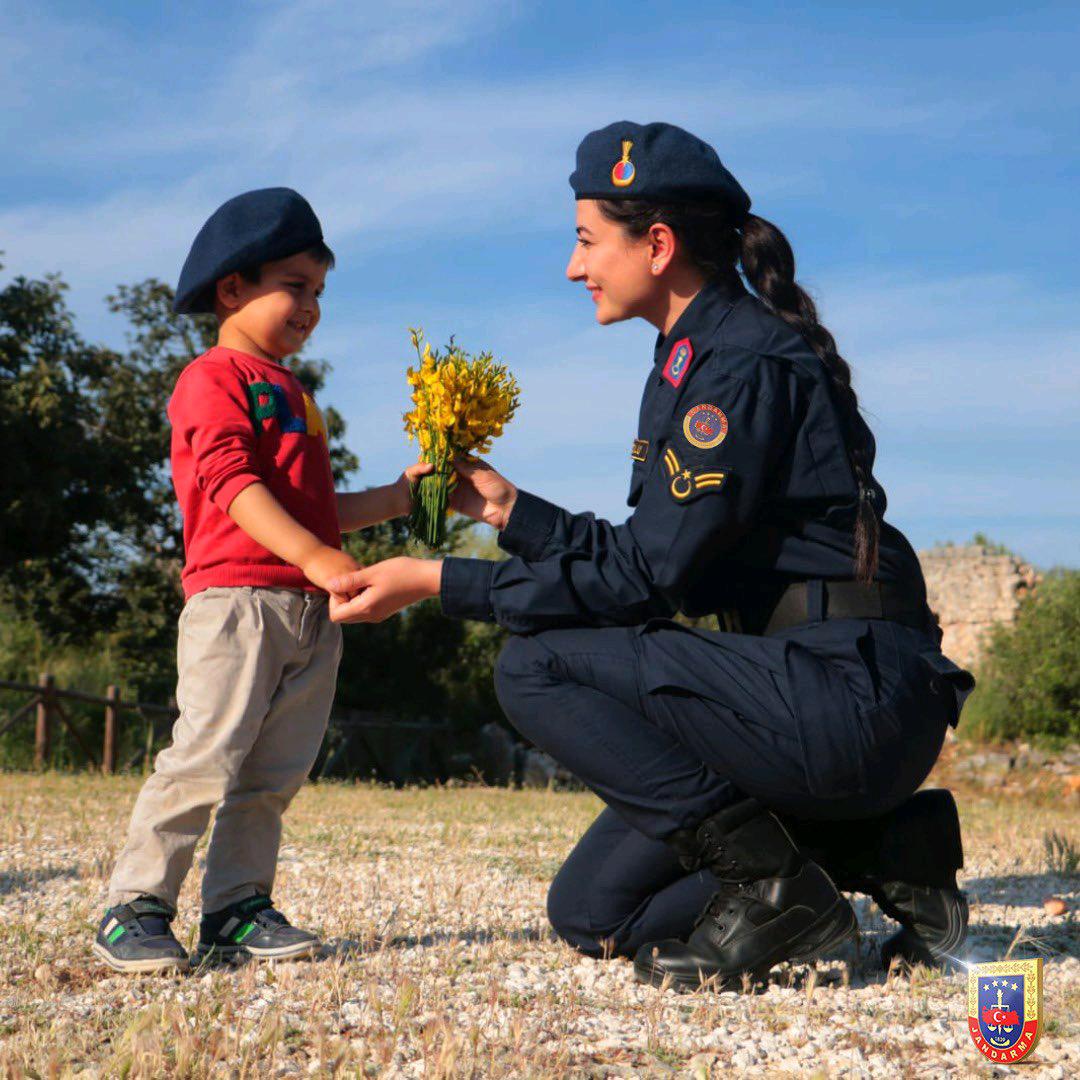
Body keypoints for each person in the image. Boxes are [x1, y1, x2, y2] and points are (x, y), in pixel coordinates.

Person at [327, 124, 974, 990]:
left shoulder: (737, 363)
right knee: (595, 914)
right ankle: (882, 846)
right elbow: (654, 562)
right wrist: (509, 512)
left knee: (534, 665)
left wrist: (440, 582)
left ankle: (777, 885)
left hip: (845, 701)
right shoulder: (692, 356)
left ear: (658, 245)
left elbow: (643, 582)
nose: (572, 266)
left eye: (587, 239)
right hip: (796, 695)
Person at [94, 188, 429, 973]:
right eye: (293, 285)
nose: (310, 306)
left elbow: (315, 507)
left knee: (273, 772)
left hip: (310, 610)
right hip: (237, 603)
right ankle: (134, 906)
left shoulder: (295, 392)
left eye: (319, 291)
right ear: (232, 288)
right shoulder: (213, 378)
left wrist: (400, 496)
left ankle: (236, 909)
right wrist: (315, 557)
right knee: (206, 756)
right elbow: (232, 483)